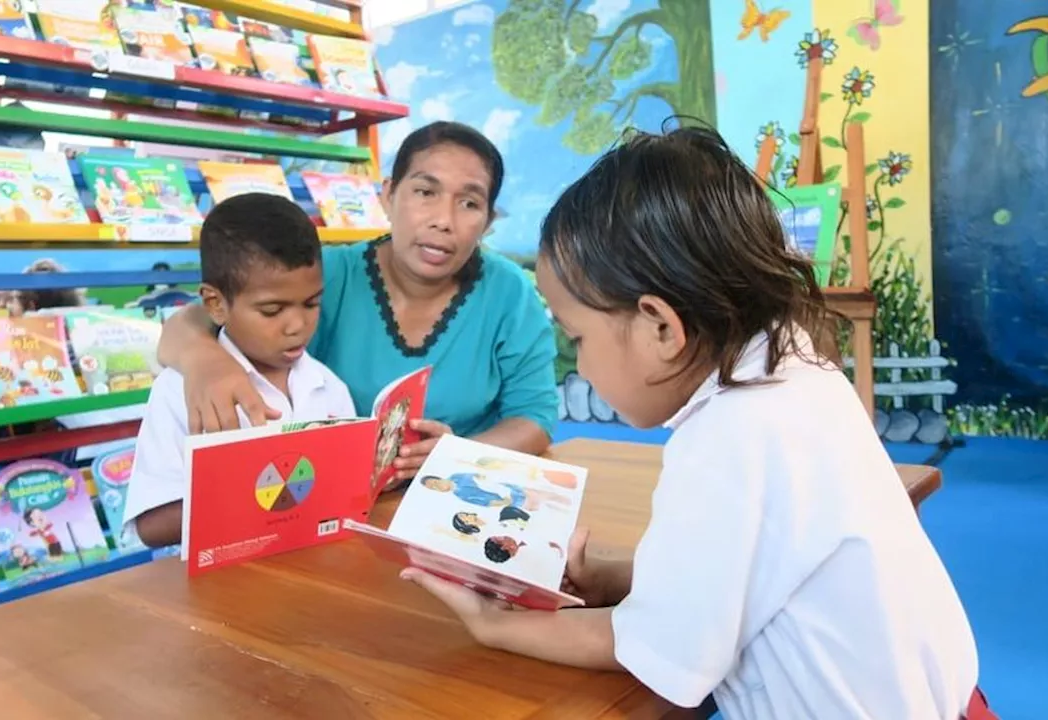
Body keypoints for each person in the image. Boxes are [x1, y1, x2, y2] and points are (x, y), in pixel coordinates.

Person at [399, 123, 988, 720]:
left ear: (662, 328)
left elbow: (654, 650)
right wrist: (612, 577)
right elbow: (742, 564)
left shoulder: (729, 438)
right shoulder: (793, 368)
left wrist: (497, 625)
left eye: (577, 337)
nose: (578, 361)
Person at [158, 122, 559, 485]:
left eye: (469, 203)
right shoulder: (325, 274)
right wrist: (204, 361)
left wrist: (457, 456)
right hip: (321, 502)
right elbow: (192, 322)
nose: (443, 220)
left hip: (455, 496)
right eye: (425, 192)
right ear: (388, 195)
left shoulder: (509, 292)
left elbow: (534, 418)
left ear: (488, 221)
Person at [122, 193, 355, 548]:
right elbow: (151, 525)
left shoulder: (328, 386)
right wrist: (267, 492)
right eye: (272, 310)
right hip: (220, 589)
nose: (297, 325)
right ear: (216, 304)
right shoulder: (180, 390)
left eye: (312, 304)